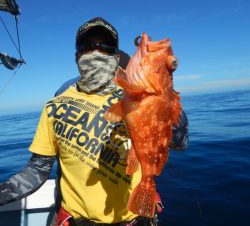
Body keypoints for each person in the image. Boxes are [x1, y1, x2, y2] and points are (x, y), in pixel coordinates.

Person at [0, 17, 189, 226]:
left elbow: (180, 143)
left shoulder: (131, 95)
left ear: (117, 56)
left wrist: (165, 91)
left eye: (105, 46)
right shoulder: (55, 105)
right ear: (77, 55)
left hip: (135, 219)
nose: (96, 51)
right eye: (87, 46)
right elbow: (37, 169)